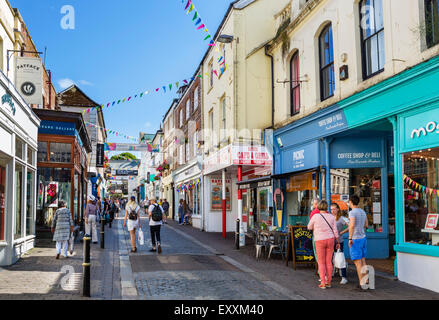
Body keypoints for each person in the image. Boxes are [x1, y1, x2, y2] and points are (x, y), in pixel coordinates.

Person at [308, 200, 340, 289]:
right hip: (330, 239)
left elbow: (309, 227)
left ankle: (322, 283)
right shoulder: (331, 217)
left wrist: (317, 227)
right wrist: (337, 241)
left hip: (319, 240)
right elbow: (335, 230)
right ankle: (328, 282)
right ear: (326, 207)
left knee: (321, 262)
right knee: (329, 262)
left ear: (318, 207)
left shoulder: (315, 216)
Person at [348, 195, 369, 290]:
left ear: (351, 202)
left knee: (357, 262)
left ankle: (362, 284)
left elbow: (351, 226)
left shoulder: (352, 212)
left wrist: (349, 238)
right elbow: (366, 225)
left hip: (355, 238)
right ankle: (367, 281)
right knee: (363, 260)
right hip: (363, 237)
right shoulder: (362, 211)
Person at [331, 203, 349, 285]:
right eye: (331, 209)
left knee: (341, 258)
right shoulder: (329, 217)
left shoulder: (341, 218)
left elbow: (350, 225)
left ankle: (344, 277)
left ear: (338, 209)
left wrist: (342, 232)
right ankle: (330, 274)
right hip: (330, 241)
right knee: (330, 258)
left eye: (334, 209)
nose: (332, 211)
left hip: (339, 241)